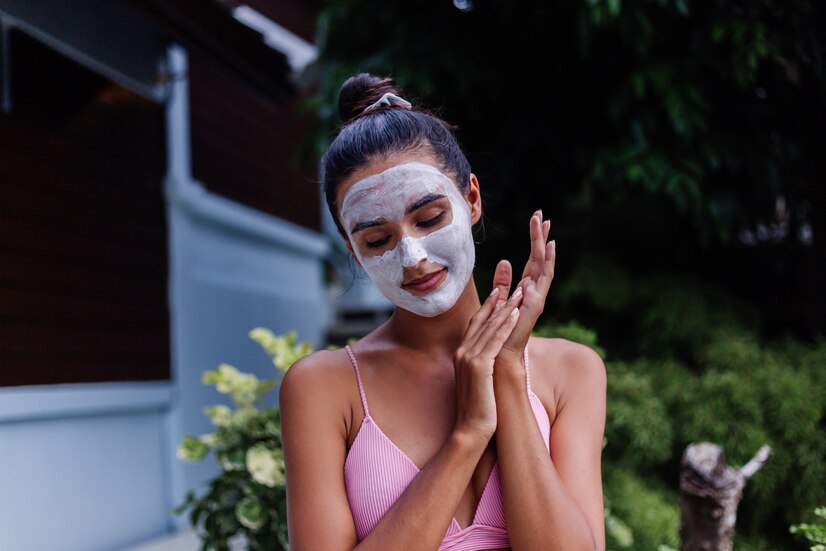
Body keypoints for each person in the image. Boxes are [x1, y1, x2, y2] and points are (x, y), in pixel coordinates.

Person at [279, 73, 607, 551]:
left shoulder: (571, 371)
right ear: (353, 252)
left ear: (471, 199)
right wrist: (468, 433)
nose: (412, 257)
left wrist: (507, 373)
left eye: (429, 218)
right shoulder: (323, 387)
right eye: (377, 240)